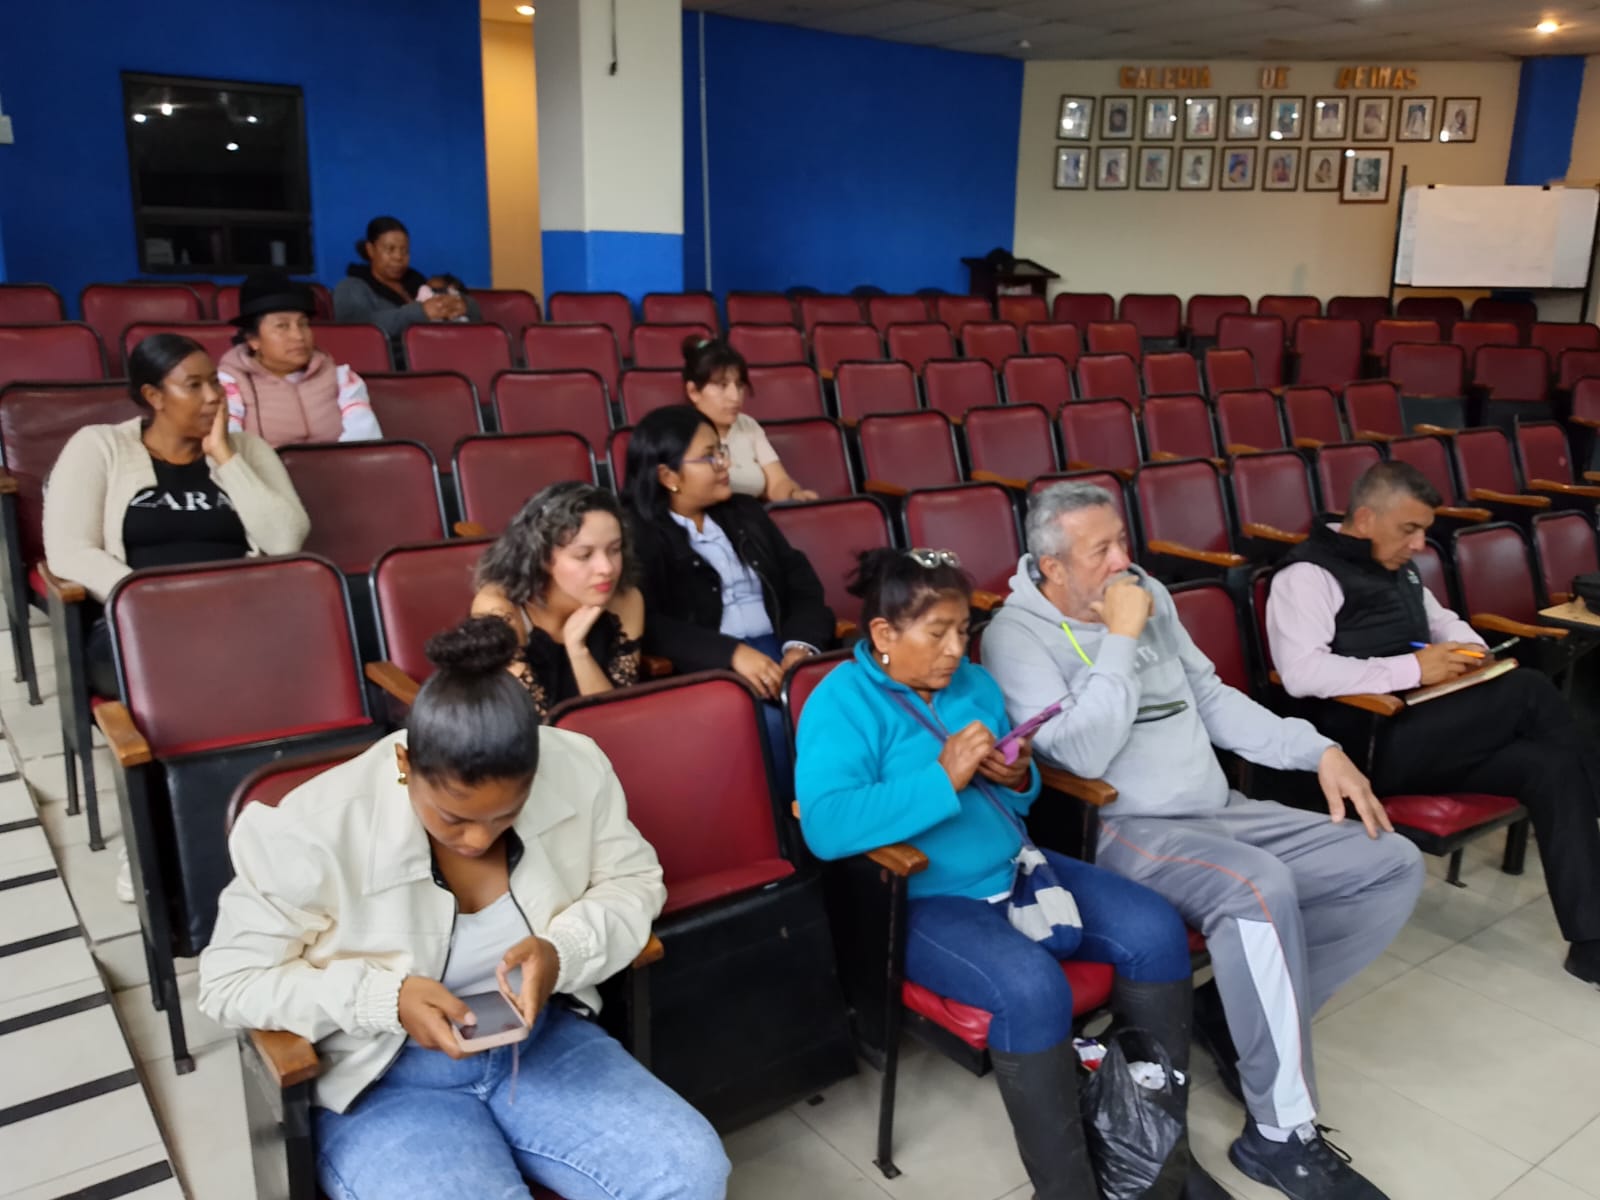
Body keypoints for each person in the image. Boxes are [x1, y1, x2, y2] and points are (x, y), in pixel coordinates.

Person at [982, 481, 1424, 1200]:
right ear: (1053, 566)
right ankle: (1281, 1137)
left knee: (1390, 862)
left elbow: (1212, 700)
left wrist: (1317, 750)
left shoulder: (1145, 590)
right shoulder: (1014, 635)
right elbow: (1080, 757)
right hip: (1125, 829)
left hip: (1218, 811)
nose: (1123, 561)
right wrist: (1121, 638)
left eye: (1123, 541)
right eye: (1101, 551)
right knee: (1258, 888)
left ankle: (1225, 1015)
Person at [199, 616, 729, 1200]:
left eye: (505, 816)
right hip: (385, 1077)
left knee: (689, 1172)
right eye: (453, 818)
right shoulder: (312, 830)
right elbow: (230, 982)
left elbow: (632, 881)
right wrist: (386, 999)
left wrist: (565, 950)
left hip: (538, 1041)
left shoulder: (575, 766)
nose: (478, 840)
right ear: (405, 765)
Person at [796, 548, 1226, 1200]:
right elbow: (827, 827)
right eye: (936, 633)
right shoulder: (841, 702)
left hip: (1020, 869)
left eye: (962, 630)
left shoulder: (974, 685)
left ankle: (1155, 1154)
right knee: (1032, 988)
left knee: (1155, 929)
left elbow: (1019, 804)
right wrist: (941, 777)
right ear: (883, 633)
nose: (955, 649)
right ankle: (1069, 1190)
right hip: (927, 900)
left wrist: (1017, 775)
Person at [1267, 461, 1600, 989]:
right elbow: (1300, 673)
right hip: (1360, 748)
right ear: (1366, 518)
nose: (1420, 544)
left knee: (1550, 765)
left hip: (1424, 732)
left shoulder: (1398, 567)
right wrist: (1413, 669)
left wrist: (1470, 652)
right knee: (1529, 690)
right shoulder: (1306, 576)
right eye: (1410, 529)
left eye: (1423, 531)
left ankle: (1591, 946)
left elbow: (1441, 621)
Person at [43, 333, 309, 903]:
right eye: (194, 386)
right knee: (190, 677)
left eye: (216, 382)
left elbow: (286, 538)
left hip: (240, 619)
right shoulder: (100, 447)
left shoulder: (247, 449)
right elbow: (67, 550)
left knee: (289, 661)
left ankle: (268, 822)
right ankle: (154, 836)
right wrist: (148, 601)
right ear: (153, 396)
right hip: (136, 629)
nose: (214, 396)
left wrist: (226, 459)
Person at [622, 405, 833, 768]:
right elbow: (649, 624)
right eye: (710, 457)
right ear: (668, 476)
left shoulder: (746, 512)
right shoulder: (636, 534)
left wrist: (800, 647)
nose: (726, 464)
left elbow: (803, 586)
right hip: (712, 666)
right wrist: (731, 655)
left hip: (783, 647)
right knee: (774, 727)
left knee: (850, 705)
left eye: (721, 451)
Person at [471, 482, 644, 720]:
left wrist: (578, 651)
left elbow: (615, 719)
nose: (607, 568)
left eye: (614, 550)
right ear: (542, 557)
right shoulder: (499, 606)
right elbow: (536, 725)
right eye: (584, 555)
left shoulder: (626, 599)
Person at [218, 272, 382, 446]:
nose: (298, 336)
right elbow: (228, 444)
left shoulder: (341, 379)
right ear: (253, 339)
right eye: (282, 326)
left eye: (303, 324)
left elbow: (363, 441)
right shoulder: (230, 384)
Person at [681, 337, 817, 502]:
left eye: (739, 385)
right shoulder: (679, 431)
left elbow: (777, 482)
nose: (735, 397)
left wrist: (793, 495)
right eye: (722, 385)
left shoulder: (748, 425)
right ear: (693, 392)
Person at [332, 216, 482, 356]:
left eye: (404, 251)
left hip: (439, 353)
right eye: (390, 249)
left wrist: (464, 305)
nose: (398, 257)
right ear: (370, 249)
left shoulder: (416, 282)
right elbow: (356, 329)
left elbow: (474, 312)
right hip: (395, 364)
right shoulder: (351, 287)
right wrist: (421, 312)